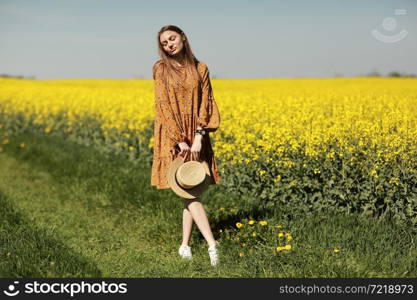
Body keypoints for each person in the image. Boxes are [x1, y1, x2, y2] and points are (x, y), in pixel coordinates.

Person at [150, 25, 221, 266]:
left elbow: (206, 103)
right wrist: (178, 139)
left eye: (172, 38)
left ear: (182, 37)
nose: (169, 44)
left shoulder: (201, 68)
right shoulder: (160, 69)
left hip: (197, 134)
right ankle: (213, 245)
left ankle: (184, 246)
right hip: (173, 137)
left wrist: (199, 135)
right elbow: (162, 106)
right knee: (189, 191)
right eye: (164, 43)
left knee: (191, 190)